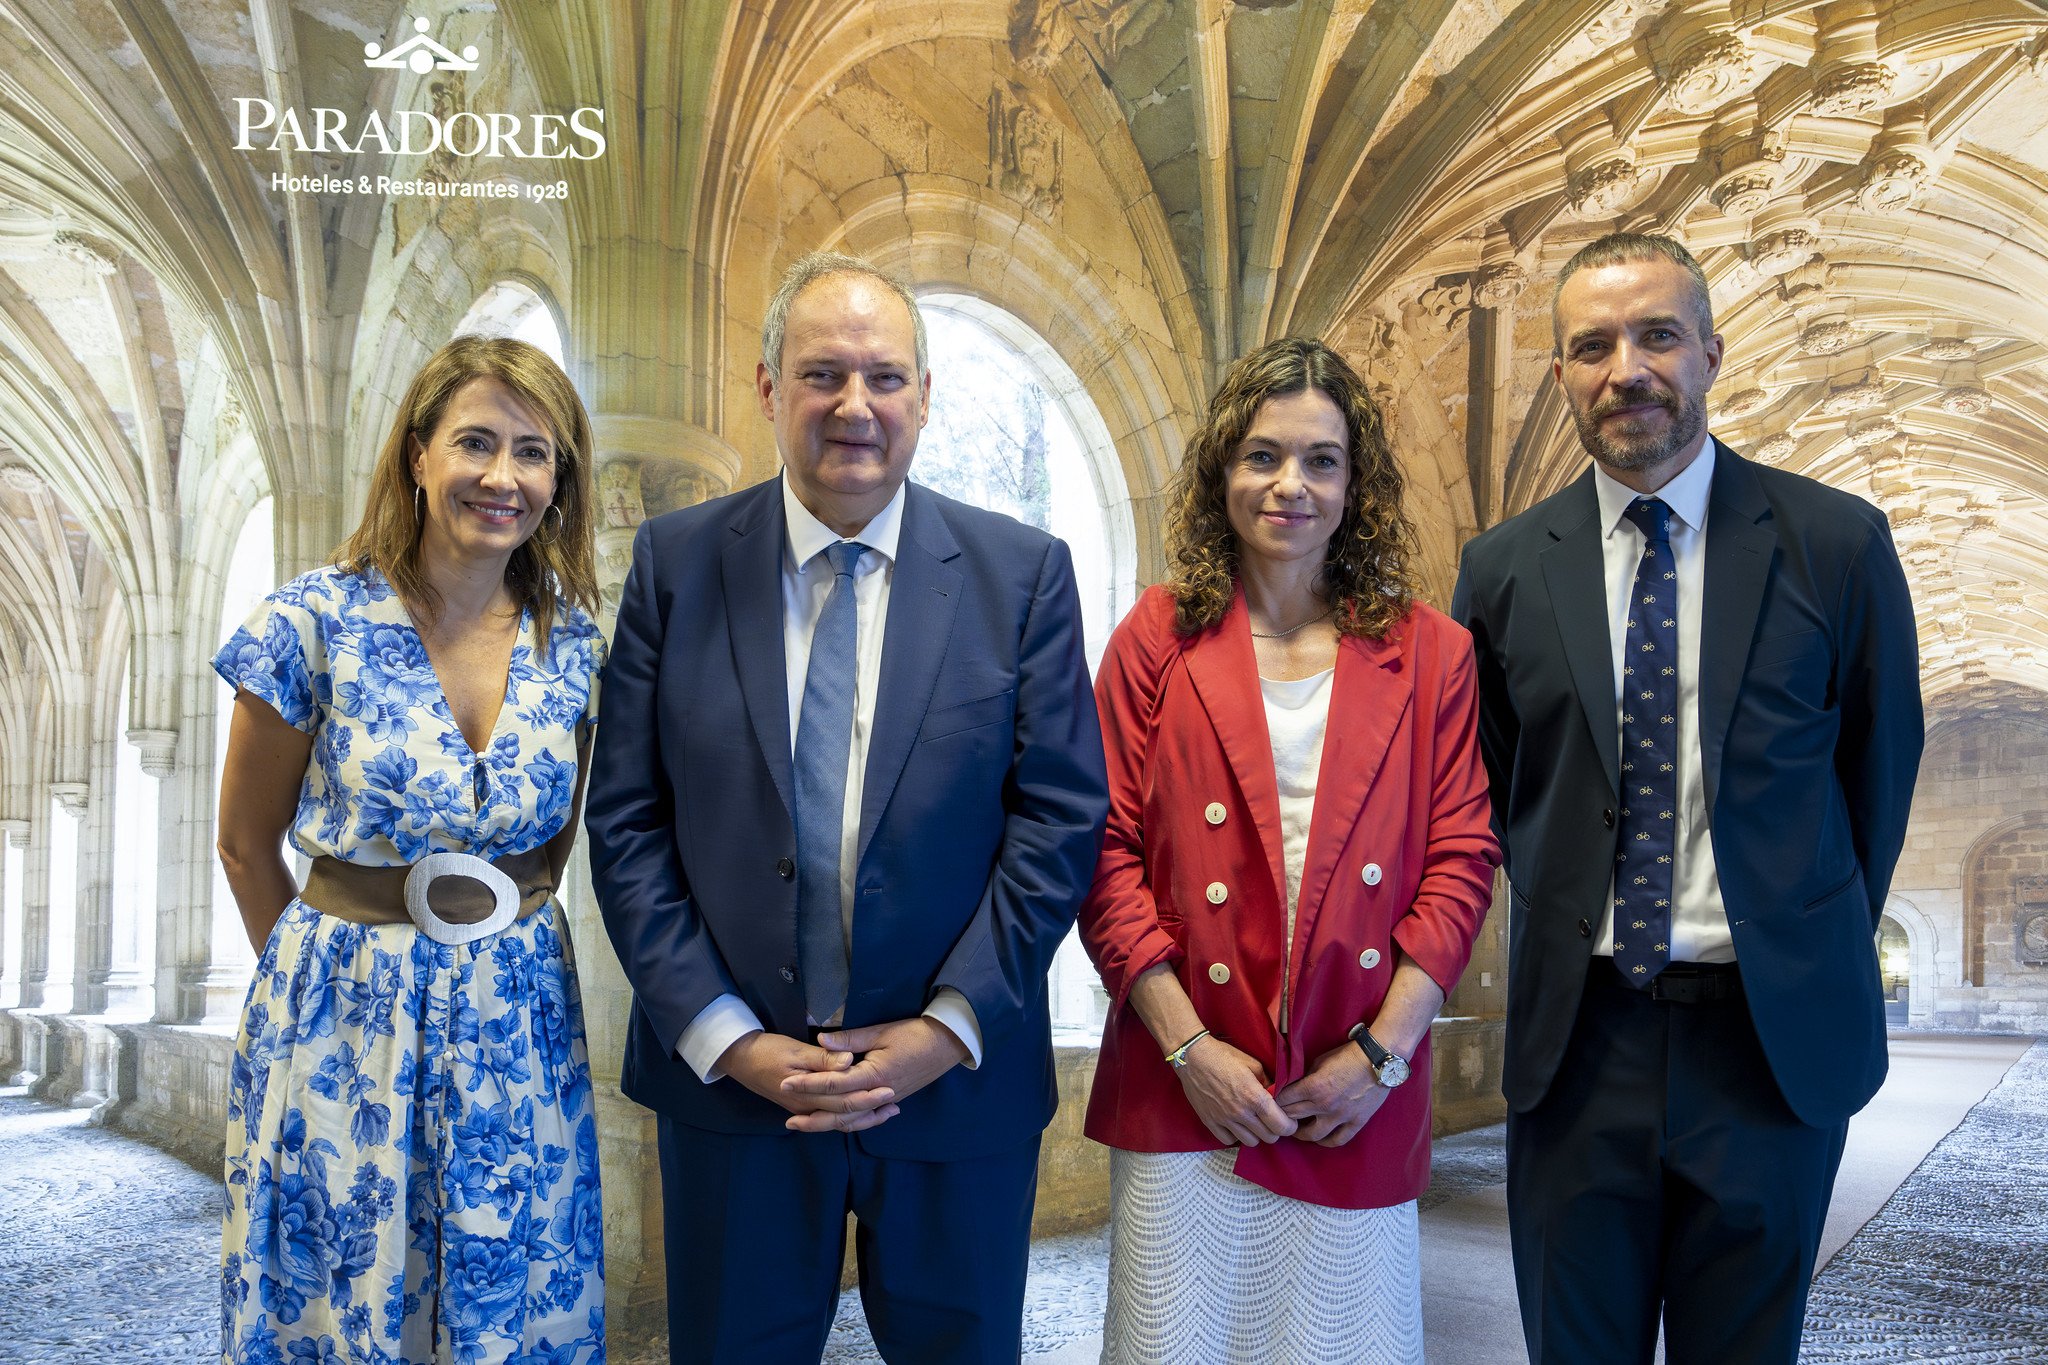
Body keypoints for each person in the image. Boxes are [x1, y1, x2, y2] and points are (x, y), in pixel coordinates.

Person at [583, 250, 1109, 1365]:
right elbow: (628, 824)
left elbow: (1057, 823)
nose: (854, 407)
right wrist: (727, 1039)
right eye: (823, 375)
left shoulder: (1020, 576)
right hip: (736, 1097)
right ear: (769, 387)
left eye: (884, 378)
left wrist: (942, 1028)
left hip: (955, 1094)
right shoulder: (677, 566)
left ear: (923, 397)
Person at [1450, 232, 1923, 1364]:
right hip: (1579, 1041)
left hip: (1762, 1044)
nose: (1628, 368)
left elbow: (1877, 769)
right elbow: (1503, 778)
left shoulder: (1833, 543)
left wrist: (1797, 935)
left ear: (1709, 351)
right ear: (1560, 374)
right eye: (1591, 345)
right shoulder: (1502, 570)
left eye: (1657, 335)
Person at [1081, 337, 1501, 1364]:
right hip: (1187, 1079)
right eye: (1261, 455)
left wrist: (1378, 1057)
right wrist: (1189, 1050)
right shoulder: (1153, 639)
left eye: (1320, 460)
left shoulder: (1431, 651)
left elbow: (1458, 859)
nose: (1289, 485)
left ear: (1355, 484)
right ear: (1220, 470)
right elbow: (1102, 852)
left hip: (1346, 1084)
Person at [214, 335, 609, 1364]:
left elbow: (550, 854)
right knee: (343, 1299)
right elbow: (245, 846)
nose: (501, 476)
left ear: (557, 481)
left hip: (516, 1021)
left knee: (508, 1292)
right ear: (417, 455)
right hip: (340, 1019)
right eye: (474, 442)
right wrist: (314, 1000)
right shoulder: (310, 621)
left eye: (533, 452)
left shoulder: (575, 646)